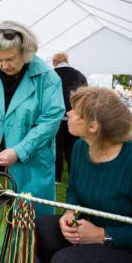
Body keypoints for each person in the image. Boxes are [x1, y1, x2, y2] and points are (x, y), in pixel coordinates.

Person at [0, 20, 65, 262]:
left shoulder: (48, 79)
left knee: (28, 219)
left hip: (29, 165)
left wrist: (20, 150)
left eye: (10, 59)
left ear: (26, 53)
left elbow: (50, 120)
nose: (3, 65)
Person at [36, 86, 132, 263]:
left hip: (127, 244)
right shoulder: (81, 148)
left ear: (92, 126)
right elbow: (73, 188)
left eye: (76, 111)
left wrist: (102, 235)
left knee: (65, 259)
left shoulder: (131, 160)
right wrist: (70, 213)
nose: (69, 112)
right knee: (44, 228)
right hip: (94, 226)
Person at [52, 52, 87, 183]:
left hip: (55, 116)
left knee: (57, 146)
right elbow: (85, 97)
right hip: (74, 116)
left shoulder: (50, 75)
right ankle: (74, 176)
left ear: (54, 62)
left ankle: (57, 177)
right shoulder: (79, 75)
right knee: (72, 146)